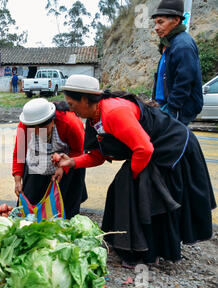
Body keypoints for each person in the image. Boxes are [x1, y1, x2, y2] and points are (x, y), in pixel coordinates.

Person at [55, 74, 215, 268]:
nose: (70, 109)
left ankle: (148, 254)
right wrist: (72, 162)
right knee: (123, 190)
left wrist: (134, 176)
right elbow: (98, 156)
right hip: (149, 149)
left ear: (86, 99)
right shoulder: (93, 119)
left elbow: (144, 149)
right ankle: (132, 247)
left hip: (172, 146)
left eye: (72, 104)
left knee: (141, 194)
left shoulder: (113, 112)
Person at [13, 98, 88, 219]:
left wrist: (64, 167)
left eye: (42, 130)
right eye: (34, 130)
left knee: (64, 207)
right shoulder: (25, 124)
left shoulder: (69, 122)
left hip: (68, 159)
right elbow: (19, 153)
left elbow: (79, 151)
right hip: (37, 161)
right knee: (31, 204)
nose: (38, 133)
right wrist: (17, 179)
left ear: (52, 122)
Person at [151, 0, 203, 125]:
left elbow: (184, 81)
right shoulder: (170, 43)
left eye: (160, 22)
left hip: (176, 109)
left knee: (169, 143)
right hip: (165, 106)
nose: (156, 28)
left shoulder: (182, 45)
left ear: (175, 20)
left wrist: (172, 108)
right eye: (155, 23)